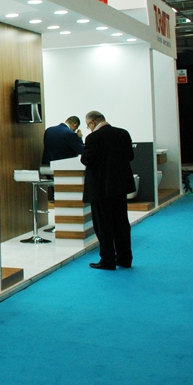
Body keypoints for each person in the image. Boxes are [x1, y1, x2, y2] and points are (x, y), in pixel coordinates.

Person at [81, 110, 135, 270]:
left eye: (88, 125)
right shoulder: (123, 133)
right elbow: (130, 156)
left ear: (92, 122)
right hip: (120, 186)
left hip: (100, 189)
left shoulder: (93, 138)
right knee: (121, 223)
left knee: (103, 225)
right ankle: (125, 258)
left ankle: (108, 259)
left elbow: (86, 159)